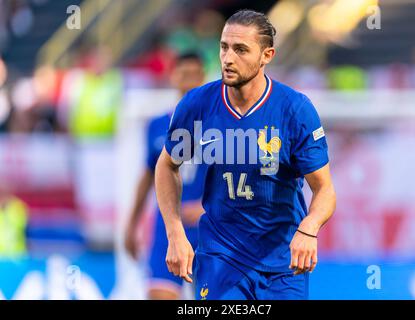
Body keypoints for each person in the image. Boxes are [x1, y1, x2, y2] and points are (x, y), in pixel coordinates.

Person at [155, 10, 336, 300]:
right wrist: (174, 231)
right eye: (224, 47)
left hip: (282, 262)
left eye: (240, 50)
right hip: (220, 257)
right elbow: (167, 166)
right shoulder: (197, 105)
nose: (227, 58)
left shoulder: (294, 110)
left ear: (267, 55)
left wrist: (309, 228)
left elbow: (324, 189)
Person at [125, 52, 206, 299]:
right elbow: (148, 175)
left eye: (195, 76)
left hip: (209, 227)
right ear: (173, 77)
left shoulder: (221, 126)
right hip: (168, 228)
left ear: (204, 78)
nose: (190, 82)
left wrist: (209, 207)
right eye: (184, 75)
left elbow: (235, 178)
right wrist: (132, 223)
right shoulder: (158, 125)